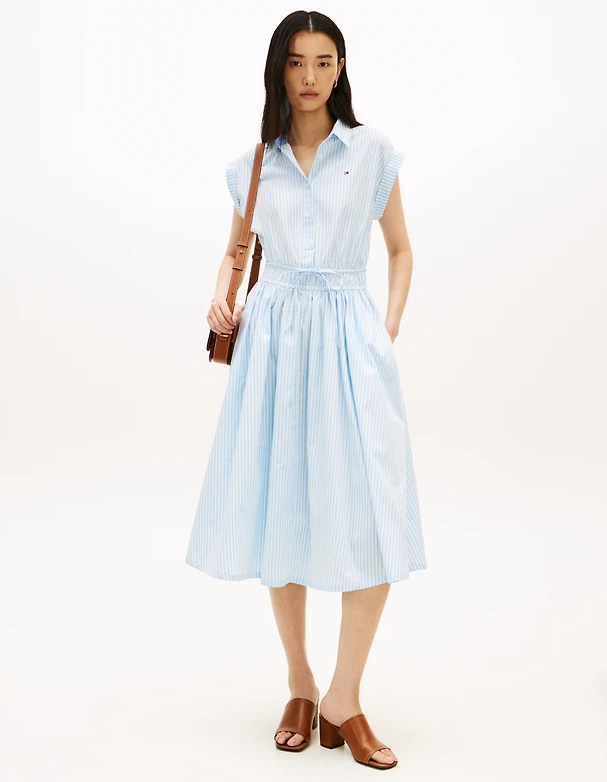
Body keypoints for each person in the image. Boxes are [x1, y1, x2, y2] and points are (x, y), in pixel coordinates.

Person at [185, 9, 427, 770]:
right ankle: (300, 682)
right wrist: (220, 299)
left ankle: (343, 698)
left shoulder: (372, 151)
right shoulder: (256, 163)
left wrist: (384, 333)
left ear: (342, 67)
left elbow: (400, 251)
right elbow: (235, 252)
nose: (311, 77)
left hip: (352, 345)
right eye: (297, 62)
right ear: (278, 71)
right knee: (282, 509)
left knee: (373, 515)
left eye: (325, 61)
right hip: (275, 347)